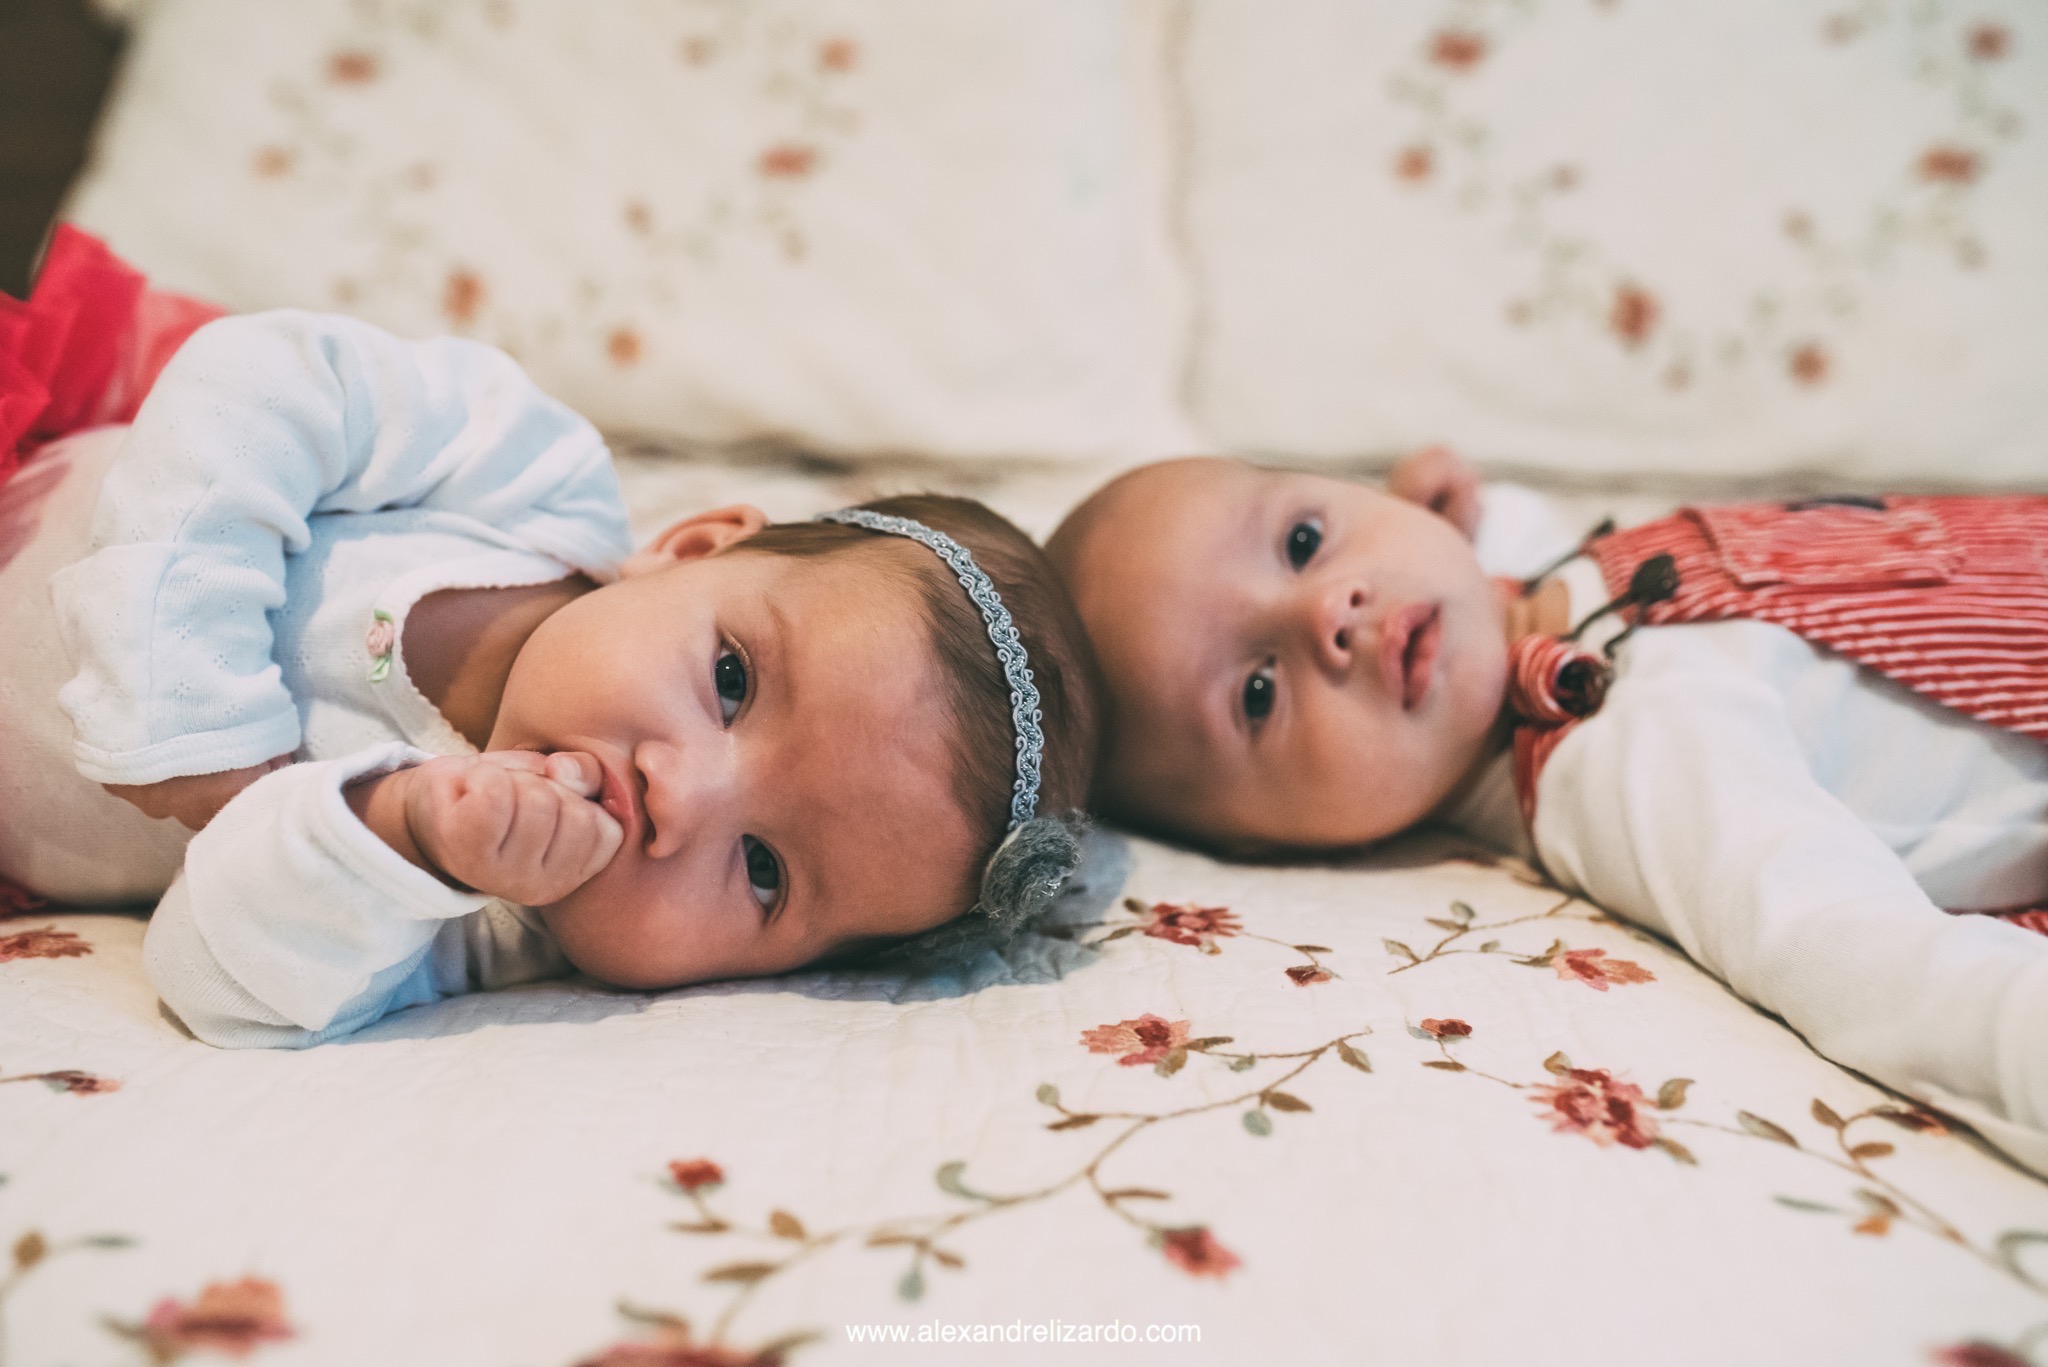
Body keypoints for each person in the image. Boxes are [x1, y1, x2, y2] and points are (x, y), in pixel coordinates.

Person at [0, 229, 1099, 1048]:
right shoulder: (523, 479)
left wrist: (404, 838)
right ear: (692, 544)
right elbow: (264, 382)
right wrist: (192, 710)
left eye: (764, 871)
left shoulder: (485, 916)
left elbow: (218, 981)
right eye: (730, 680)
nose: (684, 798)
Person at [1045, 450, 2048, 1176]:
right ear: (1258, 843)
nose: (1326, 611)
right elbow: (1860, 959)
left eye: (1303, 537)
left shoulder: (1512, 574)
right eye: (1256, 693)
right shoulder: (1628, 764)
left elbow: (1493, 559)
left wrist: (1452, 521)